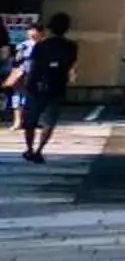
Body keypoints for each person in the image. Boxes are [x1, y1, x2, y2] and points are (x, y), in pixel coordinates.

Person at [10, 14, 77, 164]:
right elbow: (70, 64)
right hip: (58, 85)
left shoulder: (42, 45)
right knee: (49, 121)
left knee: (30, 120)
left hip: (37, 85)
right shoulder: (71, 46)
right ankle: (40, 149)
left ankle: (29, 149)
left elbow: (34, 66)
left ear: (50, 28)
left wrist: (30, 84)